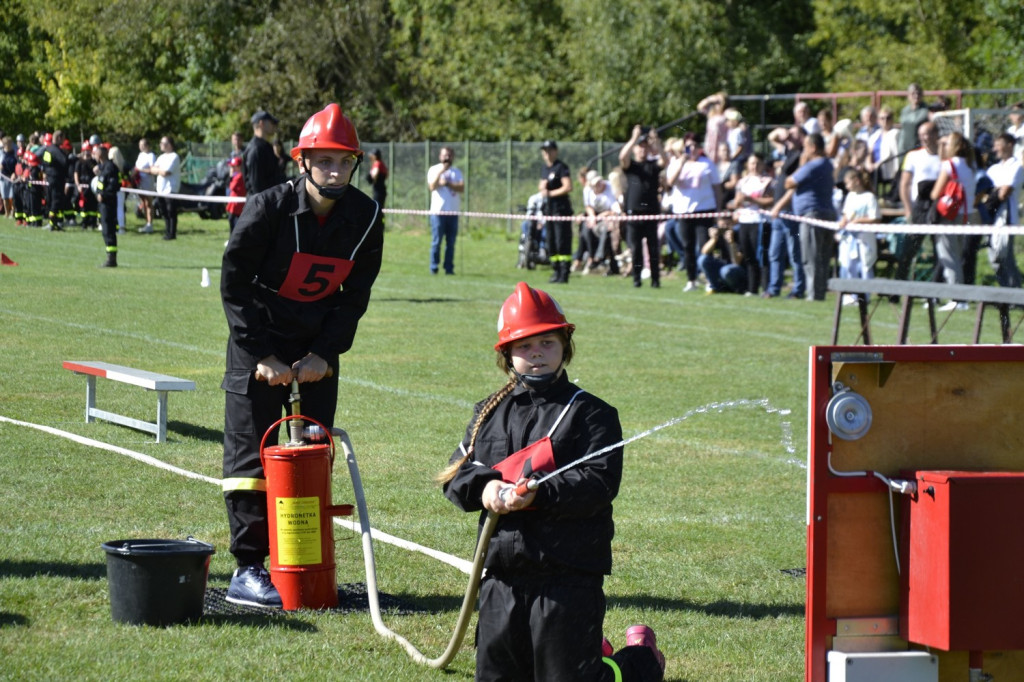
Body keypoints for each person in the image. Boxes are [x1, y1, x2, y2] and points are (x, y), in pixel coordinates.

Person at [439, 281, 666, 682]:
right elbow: (457, 475)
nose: (537, 353)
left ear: (565, 346)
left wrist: (538, 493)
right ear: (507, 354)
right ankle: (592, 651)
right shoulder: (487, 412)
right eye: (525, 346)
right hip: (502, 576)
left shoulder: (592, 414)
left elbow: (599, 482)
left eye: (547, 342)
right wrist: (487, 488)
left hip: (568, 577)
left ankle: (640, 660)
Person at [220, 102, 384, 608]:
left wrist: (323, 353)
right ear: (302, 161)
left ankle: (307, 560)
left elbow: (354, 296)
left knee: (312, 452)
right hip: (259, 341)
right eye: (324, 160)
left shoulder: (366, 216)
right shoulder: (267, 208)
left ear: (354, 164)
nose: (334, 171)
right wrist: (262, 354)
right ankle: (248, 568)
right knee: (252, 454)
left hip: (317, 346)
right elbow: (234, 282)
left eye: (343, 161)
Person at [778, 132, 837, 301]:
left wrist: (802, 164)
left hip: (812, 215)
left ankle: (814, 295)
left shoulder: (813, 165)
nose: (803, 150)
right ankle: (819, 293)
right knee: (822, 257)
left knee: (810, 257)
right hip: (826, 213)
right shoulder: (827, 164)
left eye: (805, 147)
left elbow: (788, 182)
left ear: (813, 147)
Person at [667, 132, 722, 292]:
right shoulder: (676, 163)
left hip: (704, 210)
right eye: (688, 146)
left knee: (705, 246)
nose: (691, 149)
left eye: (694, 146)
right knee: (687, 246)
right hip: (684, 211)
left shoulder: (707, 164)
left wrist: (718, 211)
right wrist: (682, 161)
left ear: (699, 148)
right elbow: (671, 182)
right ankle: (691, 279)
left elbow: (717, 188)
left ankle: (710, 279)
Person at [929, 131, 977, 309]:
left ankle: (957, 298)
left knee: (949, 256)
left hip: (950, 215)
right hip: (967, 214)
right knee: (955, 255)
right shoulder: (970, 165)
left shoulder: (950, 165)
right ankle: (959, 296)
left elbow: (935, 192)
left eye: (947, 143)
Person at [619, 125, 666, 288]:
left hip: (651, 213)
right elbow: (622, 156)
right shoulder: (631, 166)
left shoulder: (652, 165)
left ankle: (655, 280)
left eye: (645, 147)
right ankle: (636, 279)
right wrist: (633, 138)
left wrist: (656, 142)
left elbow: (665, 160)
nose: (642, 150)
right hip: (634, 214)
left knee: (653, 249)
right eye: (639, 147)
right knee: (636, 249)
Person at [896, 120, 941, 282]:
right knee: (909, 250)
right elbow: (905, 184)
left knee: (939, 250)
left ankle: (935, 291)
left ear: (936, 135)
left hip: (939, 207)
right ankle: (896, 289)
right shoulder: (913, 156)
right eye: (921, 134)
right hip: (919, 207)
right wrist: (908, 209)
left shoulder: (944, 157)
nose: (924, 138)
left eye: (927, 133)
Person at [729, 153, 774, 295]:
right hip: (744, 221)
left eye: (757, 163)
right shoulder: (742, 182)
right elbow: (736, 202)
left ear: (762, 165)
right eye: (751, 163)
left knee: (761, 255)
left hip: (760, 221)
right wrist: (738, 202)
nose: (754, 166)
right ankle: (752, 288)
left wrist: (751, 199)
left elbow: (770, 201)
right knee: (748, 256)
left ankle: (766, 287)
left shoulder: (767, 181)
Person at [984, 133, 1023, 288]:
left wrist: (994, 192)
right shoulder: (993, 168)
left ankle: (1016, 294)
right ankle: (1007, 293)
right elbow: (983, 191)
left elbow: (1005, 192)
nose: (995, 149)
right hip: (990, 217)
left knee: (1005, 257)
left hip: (1006, 217)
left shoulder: (1017, 167)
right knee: (994, 259)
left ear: (1009, 145)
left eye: (998, 144)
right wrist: (995, 191)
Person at [835, 169, 880, 301]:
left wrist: (858, 220)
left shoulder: (869, 197)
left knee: (865, 266)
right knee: (849, 265)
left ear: (857, 181)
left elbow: (875, 217)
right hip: (850, 237)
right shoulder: (850, 196)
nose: (847, 186)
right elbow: (846, 214)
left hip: (864, 237)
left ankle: (865, 296)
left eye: (848, 183)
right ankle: (852, 295)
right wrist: (844, 221)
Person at [539, 140, 574, 283]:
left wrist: (550, 193)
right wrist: (543, 190)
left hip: (561, 211)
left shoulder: (561, 167)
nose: (547, 154)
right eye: (545, 151)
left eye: (550, 150)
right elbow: (541, 186)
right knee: (551, 242)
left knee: (562, 242)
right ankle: (555, 270)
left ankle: (564, 273)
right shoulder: (545, 169)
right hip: (549, 210)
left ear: (555, 151)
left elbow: (568, 187)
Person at [427, 146, 464, 275]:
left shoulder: (457, 172)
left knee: (451, 243)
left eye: (449, 155)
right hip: (438, 212)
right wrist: (442, 171)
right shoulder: (434, 169)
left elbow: (461, 188)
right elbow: (432, 186)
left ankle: (449, 269)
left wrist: (447, 183)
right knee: (436, 242)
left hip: (453, 213)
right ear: (440, 156)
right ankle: (434, 268)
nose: (447, 158)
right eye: (444, 155)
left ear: (452, 157)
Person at [582, 170, 622, 275]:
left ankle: (599, 257)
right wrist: (592, 217)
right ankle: (591, 257)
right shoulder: (587, 191)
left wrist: (605, 214)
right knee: (585, 230)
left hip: (609, 217)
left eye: (599, 182)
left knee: (606, 230)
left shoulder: (609, 188)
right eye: (595, 184)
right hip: (596, 217)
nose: (599, 185)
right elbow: (588, 206)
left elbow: (616, 209)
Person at [142, 136, 182, 240]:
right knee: (164, 212)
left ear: (169, 144)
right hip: (160, 190)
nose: (160, 145)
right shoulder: (161, 157)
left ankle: (172, 233)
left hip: (170, 189)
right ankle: (167, 231)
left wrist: (158, 170)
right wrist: (159, 170)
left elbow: (166, 172)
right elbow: (152, 169)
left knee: (171, 211)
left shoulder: (174, 156)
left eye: (162, 143)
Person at [244, 110, 285, 195]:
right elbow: (256, 186)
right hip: (261, 205)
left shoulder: (266, 147)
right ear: (261, 123)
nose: (274, 126)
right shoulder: (256, 149)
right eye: (271, 123)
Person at [92, 143, 120, 268]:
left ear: (100, 154)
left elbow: (114, 186)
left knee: (109, 229)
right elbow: (101, 183)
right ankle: (109, 256)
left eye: (96, 153)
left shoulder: (110, 167)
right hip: (102, 202)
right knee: (105, 229)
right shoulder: (103, 167)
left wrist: (103, 194)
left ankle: (112, 259)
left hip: (108, 202)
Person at [698, 224, 746, 294]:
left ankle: (736, 288)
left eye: (727, 219)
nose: (724, 223)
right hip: (722, 266)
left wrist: (732, 243)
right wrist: (713, 239)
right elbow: (704, 252)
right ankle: (715, 287)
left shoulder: (739, 232)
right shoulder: (718, 232)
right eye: (721, 219)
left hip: (738, 269)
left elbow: (737, 262)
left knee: (726, 271)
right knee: (702, 259)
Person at [41, 130, 72, 231]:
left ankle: (55, 223)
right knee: (55, 201)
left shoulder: (48, 149)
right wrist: (73, 158)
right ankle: (52, 224)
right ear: (59, 138)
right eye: (63, 138)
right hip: (56, 179)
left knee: (53, 201)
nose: (63, 141)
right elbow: (64, 162)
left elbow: (45, 164)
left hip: (50, 178)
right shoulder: (56, 150)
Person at [898, 83, 930, 159]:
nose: (916, 96)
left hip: (919, 149)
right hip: (904, 148)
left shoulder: (926, 110)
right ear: (908, 95)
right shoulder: (905, 111)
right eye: (913, 93)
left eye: (918, 93)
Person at [697, 91, 729, 164]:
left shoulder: (726, 113)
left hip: (720, 145)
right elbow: (700, 107)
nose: (717, 104)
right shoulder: (711, 113)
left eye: (719, 102)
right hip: (710, 145)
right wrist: (710, 99)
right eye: (716, 102)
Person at [134, 138, 156, 233]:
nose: (140, 147)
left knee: (148, 203)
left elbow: (152, 170)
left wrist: (141, 170)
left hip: (147, 182)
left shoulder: (151, 156)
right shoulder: (140, 155)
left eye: (142, 145)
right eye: (140, 145)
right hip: (140, 182)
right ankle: (146, 222)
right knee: (143, 202)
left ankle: (150, 224)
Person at [365, 148, 388, 219]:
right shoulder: (382, 164)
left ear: (375, 156)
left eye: (371, 155)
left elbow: (375, 174)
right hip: (382, 188)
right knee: (380, 208)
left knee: (377, 208)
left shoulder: (377, 163)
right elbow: (387, 174)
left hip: (378, 190)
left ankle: (377, 225)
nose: (370, 157)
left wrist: (371, 177)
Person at [225, 155, 245, 233]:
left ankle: (233, 238)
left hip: (236, 204)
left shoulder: (239, 176)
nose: (232, 168)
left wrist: (231, 176)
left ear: (239, 167)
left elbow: (231, 186)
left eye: (234, 166)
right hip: (234, 202)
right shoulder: (236, 176)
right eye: (231, 166)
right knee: (232, 220)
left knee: (233, 221)